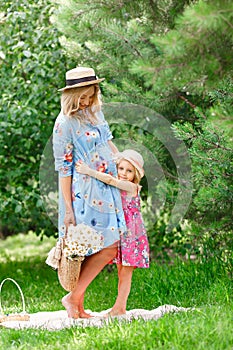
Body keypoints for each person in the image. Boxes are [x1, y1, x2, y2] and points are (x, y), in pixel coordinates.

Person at [53, 66, 127, 318]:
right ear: (71, 96)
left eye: (90, 96)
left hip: (107, 187)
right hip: (82, 195)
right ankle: (74, 301)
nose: (85, 102)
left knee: (108, 246)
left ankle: (75, 303)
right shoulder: (64, 123)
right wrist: (68, 210)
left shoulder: (95, 113)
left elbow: (107, 142)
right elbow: (64, 168)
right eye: (81, 98)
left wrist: (124, 163)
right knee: (91, 248)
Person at [75, 149, 150, 316]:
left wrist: (88, 171)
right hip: (122, 233)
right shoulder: (121, 180)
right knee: (120, 270)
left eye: (129, 171)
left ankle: (120, 308)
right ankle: (118, 307)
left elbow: (109, 180)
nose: (123, 173)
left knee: (126, 271)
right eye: (121, 168)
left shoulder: (131, 186)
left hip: (132, 234)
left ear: (135, 175)